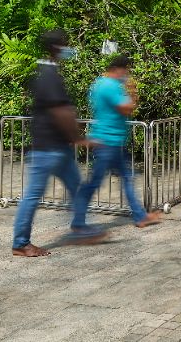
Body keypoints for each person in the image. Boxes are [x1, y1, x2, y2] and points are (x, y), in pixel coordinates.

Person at [12, 30, 106, 257]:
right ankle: (21, 243)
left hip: (57, 148)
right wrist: (78, 138)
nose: (69, 49)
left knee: (76, 188)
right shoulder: (49, 75)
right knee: (33, 195)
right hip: (48, 149)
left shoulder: (46, 72)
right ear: (56, 47)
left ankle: (80, 228)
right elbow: (60, 111)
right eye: (66, 45)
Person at [72, 54, 158, 232]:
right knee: (95, 183)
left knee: (126, 178)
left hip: (110, 140)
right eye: (126, 70)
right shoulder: (111, 86)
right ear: (120, 69)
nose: (126, 74)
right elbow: (126, 109)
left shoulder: (98, 83)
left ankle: (140, 216)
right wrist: (133, 92)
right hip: (109, 142)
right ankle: (78, 221)